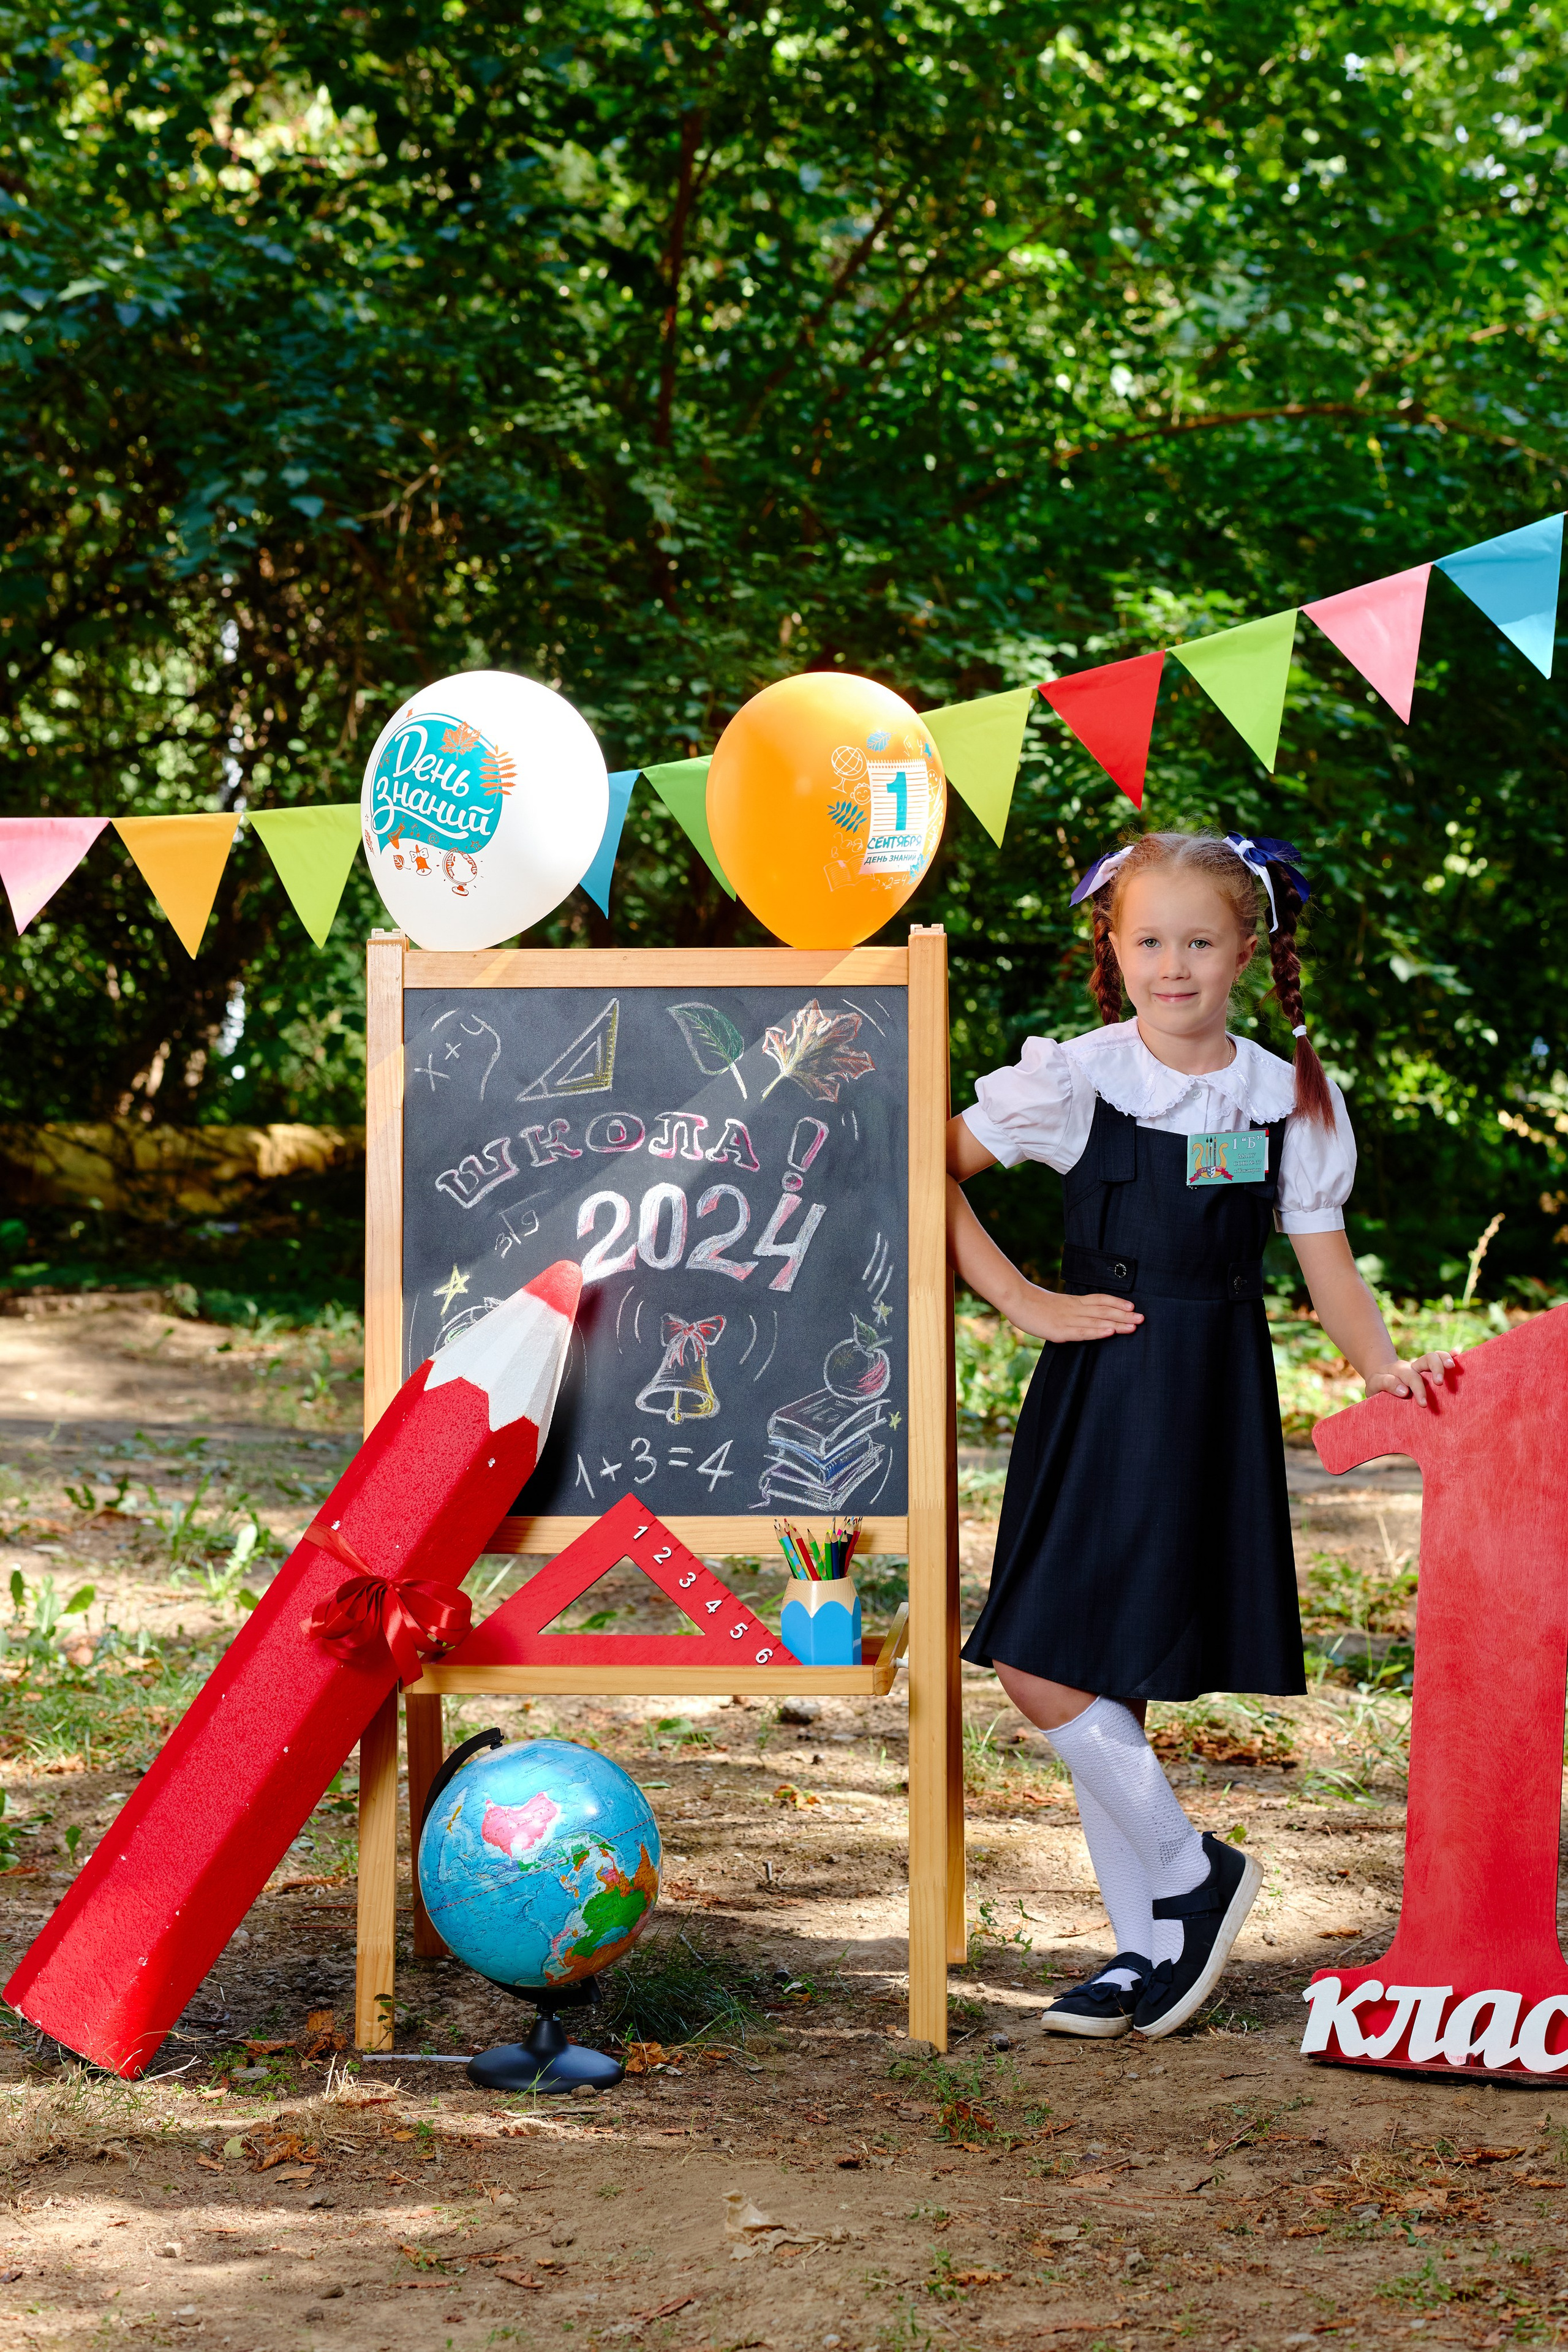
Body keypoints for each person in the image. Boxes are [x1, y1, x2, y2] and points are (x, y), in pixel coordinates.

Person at [947, 830, 1453, 2043]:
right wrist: (1020, 1301)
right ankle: (1183, 1886)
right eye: (1146, 940)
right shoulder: (1070, 1077)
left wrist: (1383, 1371)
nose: (1169, 966)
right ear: (1111, 949)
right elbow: (926, 1173)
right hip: (1093, 1380)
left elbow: (1323, 1265)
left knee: (1105, 1664)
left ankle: (1151, 1942)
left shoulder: (1284, 1098)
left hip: (1205, 1391)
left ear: (1244, 950)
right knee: (1042, 1651)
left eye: (1196, 941)